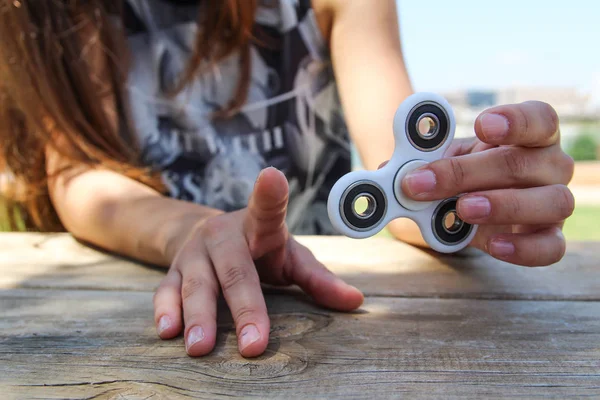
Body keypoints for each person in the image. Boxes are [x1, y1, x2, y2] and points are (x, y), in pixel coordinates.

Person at [0, 0, 574, 358]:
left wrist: (465, 188)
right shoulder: (53, 14)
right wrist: (193, 230)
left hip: (322, 299)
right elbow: (80, 173)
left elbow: (396, 168)